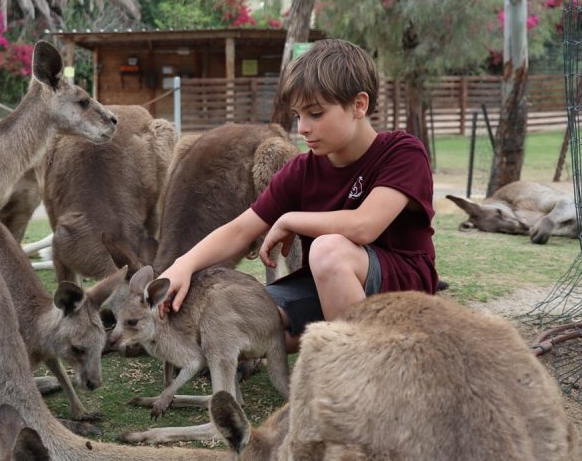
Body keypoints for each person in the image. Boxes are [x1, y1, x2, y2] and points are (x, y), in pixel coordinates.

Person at [157, 38, 438, 353]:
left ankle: (360, 367)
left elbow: (364, 226)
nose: (303, 128)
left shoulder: (401, 152)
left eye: (316, 114)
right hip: (324, 287)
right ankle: (330, 338)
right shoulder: (302, 170)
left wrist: (291, 219)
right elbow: (240, 229)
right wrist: (183, 264)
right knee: (234, 316)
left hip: (399, 288)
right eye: (299, 115)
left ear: (359, 105)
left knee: (328, 251)